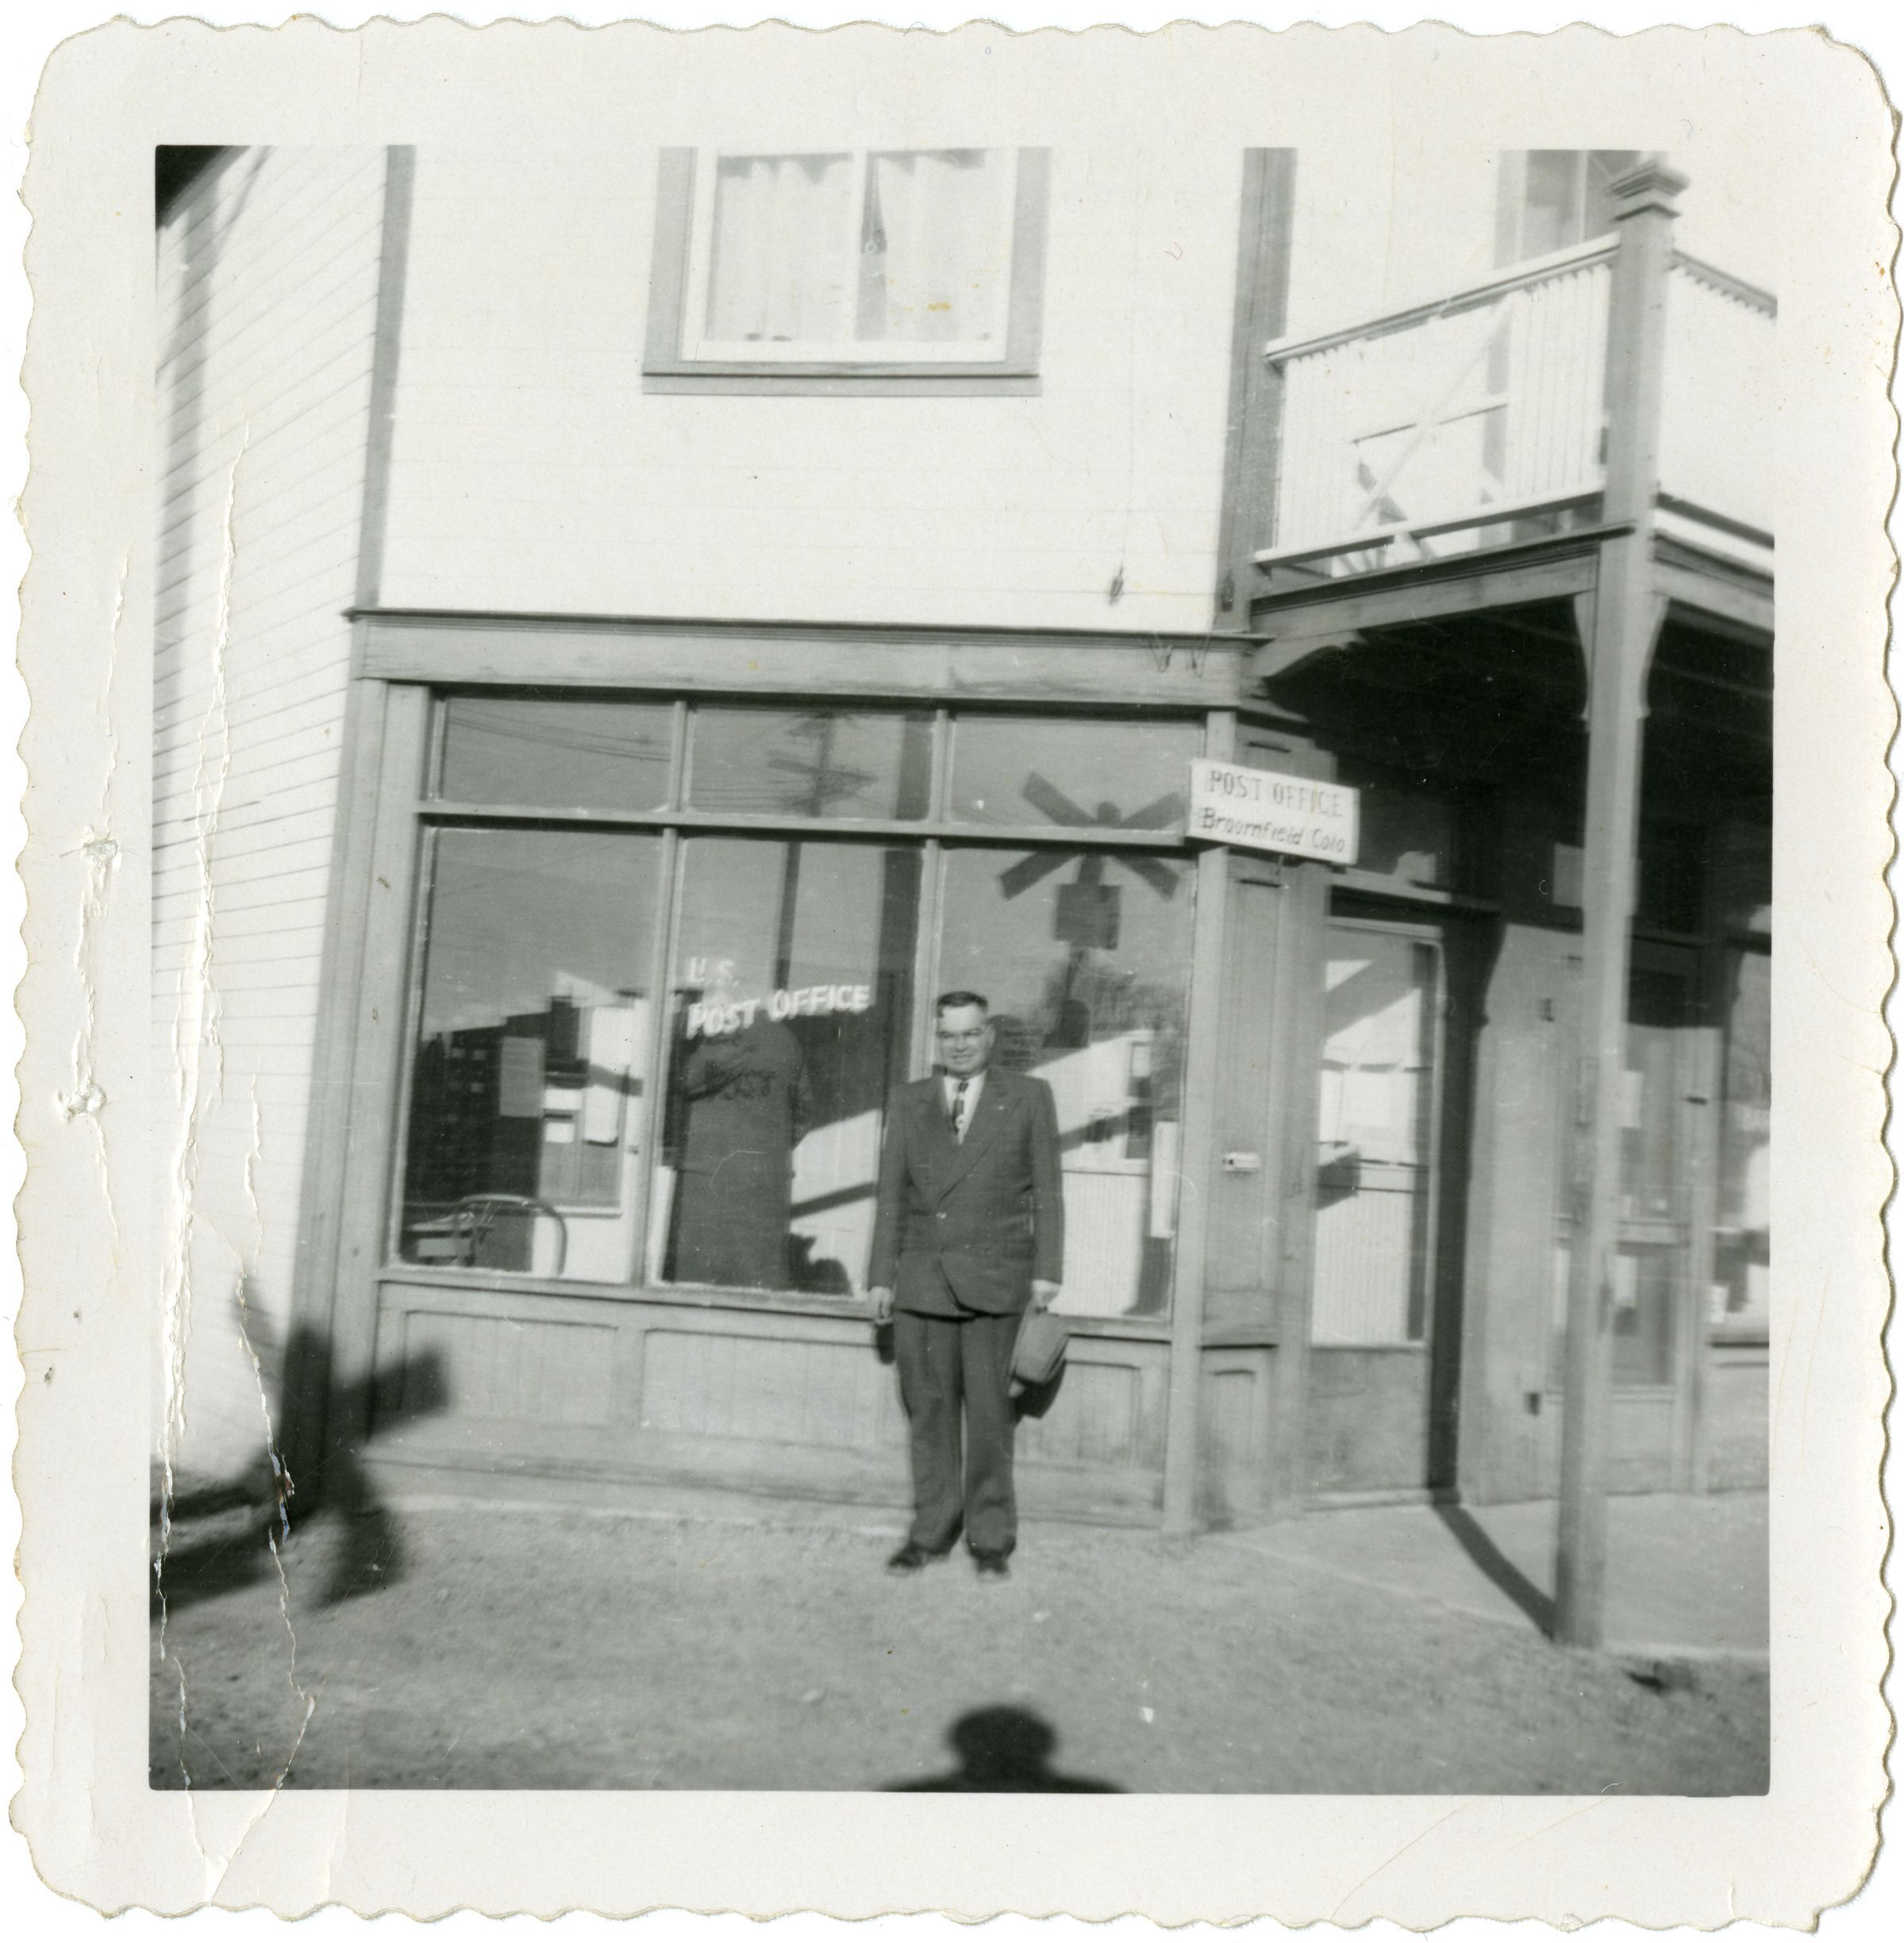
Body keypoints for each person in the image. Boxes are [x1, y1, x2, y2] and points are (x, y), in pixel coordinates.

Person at [868, 991, 1064, 1582]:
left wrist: (1048, 1270)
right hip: (922, 1284)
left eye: (971, 1033)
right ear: (938, 1039)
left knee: (989, 1419)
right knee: (928, 1414)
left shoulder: (1028, 1097)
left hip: (995, 1281)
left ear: (990, 1036)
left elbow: (1048, 1192)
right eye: (949, 1035)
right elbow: (890, 1196)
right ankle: (930, 1533)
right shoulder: (909, 1101)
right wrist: (880, 1277)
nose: (960, 1045)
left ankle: (990, 1540)